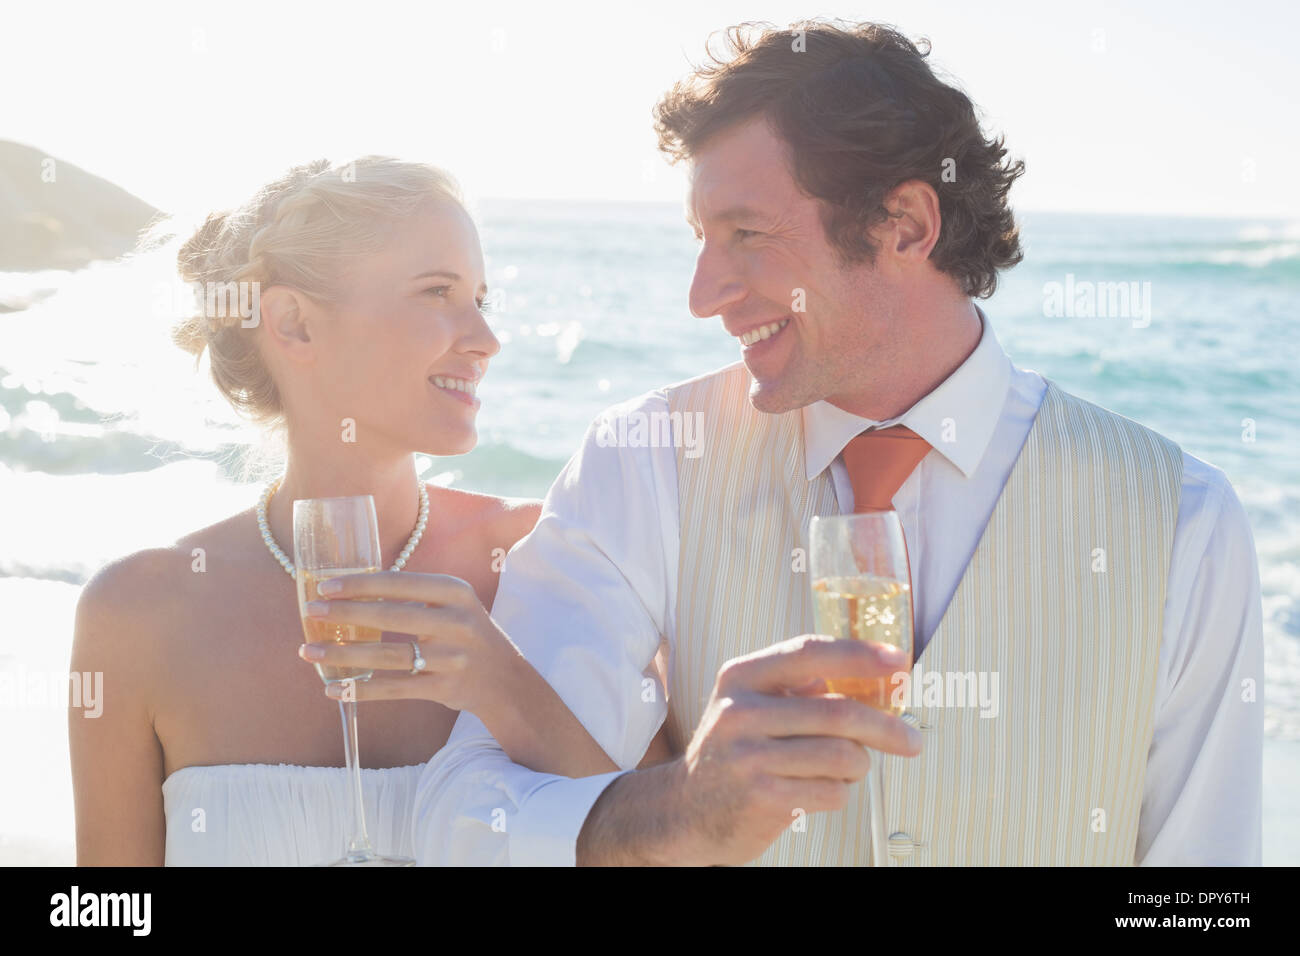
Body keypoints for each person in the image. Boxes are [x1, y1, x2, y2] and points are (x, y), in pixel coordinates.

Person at [391, 20, 1263, 865]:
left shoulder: (1181, 521)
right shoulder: (645, 461)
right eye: (701, 239)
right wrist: (676, 815)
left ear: (905, 226)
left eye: (747, 234)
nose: (702, 293)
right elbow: (463, 820)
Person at [68, 156, 672, 866]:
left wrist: (503, 687)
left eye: (481, 298)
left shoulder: (552, 557)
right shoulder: (136, 613)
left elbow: (670, 845)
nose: (484, 337)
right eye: (437, 292)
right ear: (293, 324)